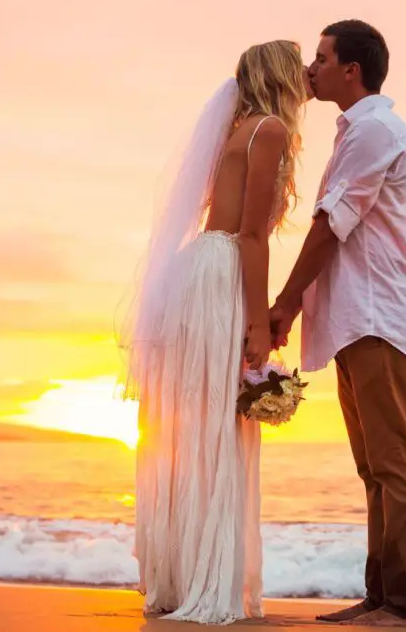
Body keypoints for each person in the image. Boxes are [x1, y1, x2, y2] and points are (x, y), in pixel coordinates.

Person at [115, 40, 311, 625]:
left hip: (200, 271)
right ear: (279, 74)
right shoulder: (269, 130)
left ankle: (180, 575)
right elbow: (252, 237)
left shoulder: (237, 129)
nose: (307, 74)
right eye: (299, 64)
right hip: (223, 272)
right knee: (219, 427)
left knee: (199, 424)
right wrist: (257, 325)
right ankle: (206, 581)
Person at [270, 20, 406, 628]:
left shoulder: (374, 130)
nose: (310, 69)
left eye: (320, 58)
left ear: (351, 70)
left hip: (377, 312)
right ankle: (380, 596)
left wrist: (286, 302)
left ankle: (405, 606)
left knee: (394, 460)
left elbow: (331, 223)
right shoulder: (356, 131)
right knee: (372, 466)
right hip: (354, 315)